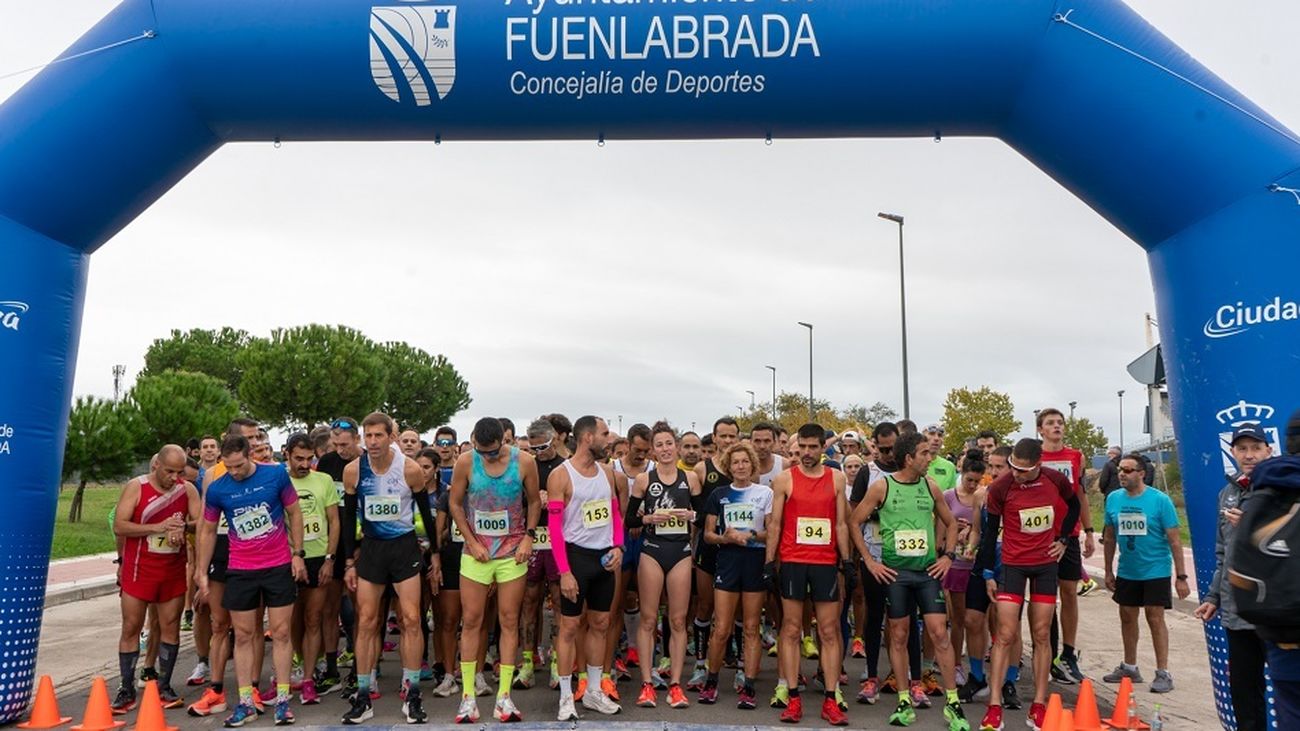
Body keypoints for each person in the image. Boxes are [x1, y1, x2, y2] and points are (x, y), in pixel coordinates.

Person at [851, 432, 968, 731]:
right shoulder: (882, 486)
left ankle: (953, 705)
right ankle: (904, 700)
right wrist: (869, 560)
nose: (930, 458)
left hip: (927, 572)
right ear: (909, 458)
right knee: (899, 635)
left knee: (939, 633)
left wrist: (948, 556)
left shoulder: (929, 486)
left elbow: (951, 522)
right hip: (895, 574)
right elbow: (853, 521)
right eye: (924, 454)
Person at [195, 434, 308, 728]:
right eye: (228, 467)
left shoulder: (275, 475)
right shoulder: (219, 489)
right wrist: (201, 572)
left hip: (278, 564)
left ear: (250, 455)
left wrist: (298, 553)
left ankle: (283, 701)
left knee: (281, 633)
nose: (234, 472)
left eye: (239, 466)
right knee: (243, 636)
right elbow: (207, 531)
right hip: (241, 568)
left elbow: (294, 513)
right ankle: (246, 703)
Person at [339, 412, 438, 724]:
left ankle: (411, 694)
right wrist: (348, 561)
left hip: (404, 548)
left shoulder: (409, 469)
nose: (372, 442)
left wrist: (434, 553)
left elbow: (426, 513)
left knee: (411, 619)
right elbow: (347, 519)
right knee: (366, 621)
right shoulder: (353, 471)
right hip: (371, 550)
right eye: (367, 437)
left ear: (390, 437)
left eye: (378, 436)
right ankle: (364, 694)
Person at [975, 438, 1080, 731]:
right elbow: (989, 532)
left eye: (1025, 470)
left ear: (1039, 465)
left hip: (1045, 564)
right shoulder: (1000, 487)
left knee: (1042, 634)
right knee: (1005, 634)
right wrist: (987, 573)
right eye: (1014, 468)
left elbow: (1074, 506)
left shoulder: (1055, 479)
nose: (1018, 475)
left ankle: (1039, 705)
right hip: (1013, 565)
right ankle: (994, 706)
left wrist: (1063, 540)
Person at [448, 417, 541, 723]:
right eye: (482, 451)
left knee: (509, 620)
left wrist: (529, 537)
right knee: (472, 620)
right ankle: (467, 698)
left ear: (504, 440)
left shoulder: (524, 462)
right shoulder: (466, 462)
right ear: (474, 441)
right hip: (477, 554)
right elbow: (456, 504)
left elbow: (534, 502)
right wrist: (472, 541)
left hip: (512, 552)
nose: (487, 456)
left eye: (492, 451)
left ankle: (504, 696)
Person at [765, 423, 852, 726]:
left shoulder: (837, 478)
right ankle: (792, 697)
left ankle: (831, 698)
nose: (806, 453)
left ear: (823, 448)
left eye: (813, 447)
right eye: (802, 446)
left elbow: (841, 524)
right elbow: (775, 524)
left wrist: (847, 561)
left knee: (828, 630)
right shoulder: (784, 480)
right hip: (792, 561)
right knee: (790, 629)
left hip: (825, 562)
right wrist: (769, 562)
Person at [1194, 423, 1273, 730]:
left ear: (1269, 450)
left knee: (1287, 688)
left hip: (1276, 611)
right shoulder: (1226, 494)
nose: (1249, 455)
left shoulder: (1285, 490)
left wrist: (1252, 528)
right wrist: (1214, 596)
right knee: (1244, 691)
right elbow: (1222, 553)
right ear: (1233, 452)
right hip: (1237, 611)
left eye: (1256, 448)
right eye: (1243, 449)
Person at [546, 415, 626, 720]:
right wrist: (564, 571)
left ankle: (593, 691)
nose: (610, 440)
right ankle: (567, 696)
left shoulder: (608, 474)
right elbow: (554, 529)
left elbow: (615, 512)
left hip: (604, 558)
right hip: (575, 558)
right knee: (569, 628)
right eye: (605, 434)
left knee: (601, 625)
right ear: (587, 438)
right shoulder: (560, 475)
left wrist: (618, 545)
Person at [110, 445, 200, 714]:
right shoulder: (136, 487)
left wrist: (181, 526)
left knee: (170, 626)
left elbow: (202, 521)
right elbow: (120, 525)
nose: (175, 477)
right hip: (139, 569)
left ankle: (164, 685)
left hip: (171, 569)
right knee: (132, 627)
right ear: (156, 466)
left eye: (179, 472)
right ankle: (126, 688)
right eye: (170, 471)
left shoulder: (187, 490)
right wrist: (157, 527)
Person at [187, 418, 266, 719]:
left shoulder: (266, 472)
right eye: (249, 438)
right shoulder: (213, 475)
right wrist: (200, 569)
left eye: (257, 438)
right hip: (223, 548)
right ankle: (217, 690)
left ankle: (254, 689)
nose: (255, 444)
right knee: (220, 624)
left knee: (253, 626)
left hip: (255, 552)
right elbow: (207, 526)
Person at [627, 422, 701, 709]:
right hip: (652, 550)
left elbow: (705, 513)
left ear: (677, 446)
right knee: (648, 618)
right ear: (652, 451)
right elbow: (630, 519)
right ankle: (646, 683)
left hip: (680, 551)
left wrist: (691, 514)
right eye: (659, 445)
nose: (665, 449)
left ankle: (675, 685)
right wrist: (647, 519)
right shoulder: (644, 480)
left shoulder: (691, 478)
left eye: (669, 443)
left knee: (679, 620)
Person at [1100, 453, 1188, 693]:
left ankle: (1163, 672)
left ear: (1141, 473)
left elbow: (1175, 540)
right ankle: (1130, 667)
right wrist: (1108, 570)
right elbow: (1109, 537)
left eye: (1128, 470)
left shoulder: (1160, 501)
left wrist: (1181, 576)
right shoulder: (1114, 499)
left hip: (1156, 568)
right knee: (1127, 616)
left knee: (1154, 617)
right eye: (1120, 469)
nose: (1122, 474)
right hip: (1128, 570)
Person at [699, 441, 773, 709]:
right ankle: (711, 681)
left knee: (752, 628)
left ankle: (749, 687)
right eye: (735, 462)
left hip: (754, 561)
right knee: (721, 628)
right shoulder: (719, 494)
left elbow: (771, 531)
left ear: (752, 465)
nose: (740, 466)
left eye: (745, 461)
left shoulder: (765, 493)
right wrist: (726, 538)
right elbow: (707, 535)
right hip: (728, 562)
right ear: (729, 467)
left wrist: (749, 535)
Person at [1035, 408, 1095, 684]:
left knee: (1069, 591)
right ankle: (1046, 649)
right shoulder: (1035, 458)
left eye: (1060, 422)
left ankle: (1068, 654)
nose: (1057, 426)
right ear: (1040, 430)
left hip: (1068, 533)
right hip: (1041, 533)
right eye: (1051, 423)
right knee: (1045, 596)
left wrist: (1090, 530)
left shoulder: (1075, 457)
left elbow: (1080, 495)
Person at [283, 432, 340, 706]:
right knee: (291, 620)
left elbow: (334, 520)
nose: (305, 464)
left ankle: (308, 678)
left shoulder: (324, 480)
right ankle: (298, 662)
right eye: (299, 459)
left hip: (319, 557)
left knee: (313, 618)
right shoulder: (279, 481)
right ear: (287, 455)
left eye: (309, 458)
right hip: (288, 559)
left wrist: (330, 558)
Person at [312, 417, 363, 696]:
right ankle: (331, 668)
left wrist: (360, 546)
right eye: (336, 444)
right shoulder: (327, 463)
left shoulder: (366, 462)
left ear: (357, 439)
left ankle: (360, 667)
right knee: (329, 609)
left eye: (345, 444)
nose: (341, 449)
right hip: (332, 542)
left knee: (359, 610)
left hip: (358, 543)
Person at [689, 417, 740, 689]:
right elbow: (696, 514)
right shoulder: (702, 468)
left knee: (736, 612)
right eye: (723, 436)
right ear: (715, 438)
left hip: (738, 549)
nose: (728, 441)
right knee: (705, 606)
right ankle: (700, 664)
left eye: (733, 436)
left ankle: (738, 664)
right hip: (709, 546)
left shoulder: (745, 468)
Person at [519, 418, 565, 690]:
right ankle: (527, 662)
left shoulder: (565, 467)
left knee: (559, 601)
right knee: (529, 600)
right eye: (533, 448)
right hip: (532, 538)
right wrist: (533, 501)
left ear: (555, 440)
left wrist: (556, 500)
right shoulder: (527, 465)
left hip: (558, 540)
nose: (538, 453)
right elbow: (515, 500)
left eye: (543, 447)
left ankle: (558, 663)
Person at [944, 451, 987, 693]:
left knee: (972, 620)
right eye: (969, 479)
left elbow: (985, 530)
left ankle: (970, 665)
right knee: (953, 618)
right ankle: (955, 664)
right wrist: (954, 529)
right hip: (954, 564)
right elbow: (940, 527)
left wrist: (972, 531)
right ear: (961, 474)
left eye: (977, 481)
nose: (972, 485)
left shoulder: (982, 498)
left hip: (974, 565)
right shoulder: (950, 497)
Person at [925, 425, 958, 491]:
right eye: (932, 434)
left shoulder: (949, 466)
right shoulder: (913, 463)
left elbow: (951, 497)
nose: (936, 438)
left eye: (940, 435)